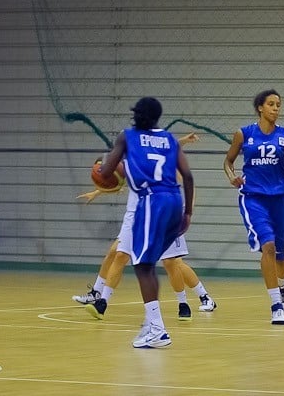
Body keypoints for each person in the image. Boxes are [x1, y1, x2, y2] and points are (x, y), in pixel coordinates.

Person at [73, 133, 216, 320]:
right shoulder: (133, 161)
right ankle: (101, 302)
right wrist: (99, 190)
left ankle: (191, 301)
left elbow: (186, 177)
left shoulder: (168, 167)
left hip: (165, 213)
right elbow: (117, 178)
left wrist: (188, 210)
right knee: (119, 255)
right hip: (135, 216)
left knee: (173, 263)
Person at [98, 96, 193, 348]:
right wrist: (188, 213)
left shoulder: (126, 136)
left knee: (142, 265)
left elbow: (106, 172)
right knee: (150, 263)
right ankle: (153, 325)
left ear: (135, 114)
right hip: (175, 199)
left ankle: (157, 329)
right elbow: (189, 176)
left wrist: (107, 169)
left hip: (151, 200)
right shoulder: (170, 139)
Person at [223, 89, 284, 325]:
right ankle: (275, 305)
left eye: (279, 104)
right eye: (271, 104)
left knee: (280, 254)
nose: (276, 108)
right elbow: (228, 161)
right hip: (253, 198)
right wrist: (232, 176)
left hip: (279, 199)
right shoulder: (244, 134)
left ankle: (283, 285)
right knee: (267, 246)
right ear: (260, 107)